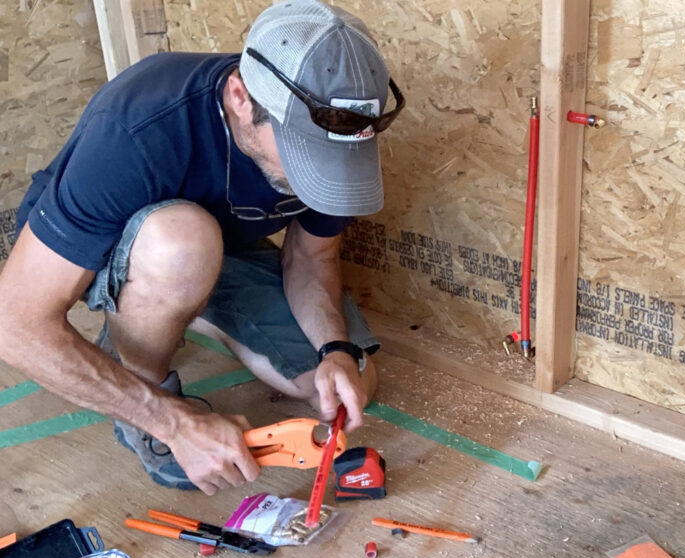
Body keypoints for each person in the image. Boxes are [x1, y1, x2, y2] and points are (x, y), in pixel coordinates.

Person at [0, 0, 403, 496]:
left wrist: (335, 349)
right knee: (182, 243)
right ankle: (144, 370)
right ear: (240, 95)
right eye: (303, 153)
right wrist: (172, 422)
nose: (318, 173)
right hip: (134, 248)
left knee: (339, 384)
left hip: (222, 247)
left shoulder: (338, 132)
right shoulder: (137, 128)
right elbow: (13, 323)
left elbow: (311, 255)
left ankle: (189, 302)